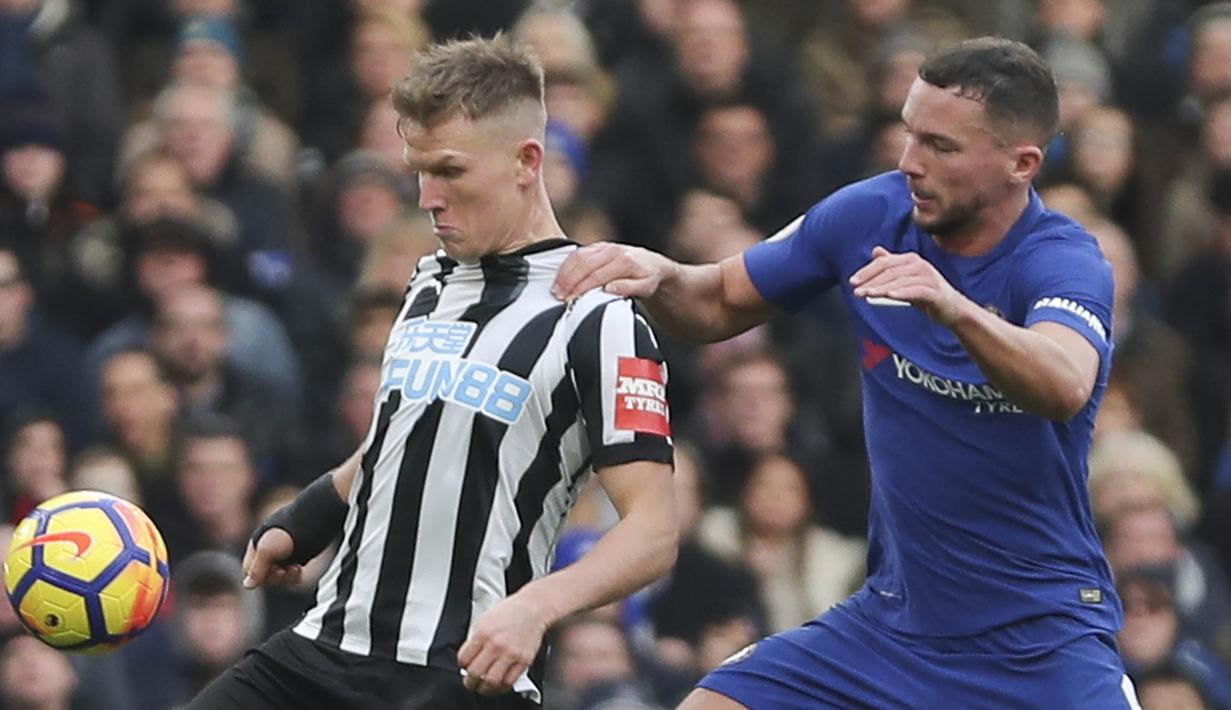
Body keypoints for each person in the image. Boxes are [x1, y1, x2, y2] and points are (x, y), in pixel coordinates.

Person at [555, 37, 1139, 708]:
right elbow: (716, 300)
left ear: (1021, 163)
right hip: (890, 631)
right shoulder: (869, 215)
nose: (910, 161)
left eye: (941, 147)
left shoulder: (1062, 259)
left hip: (1040, 642)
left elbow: (1065, 383)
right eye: (909, 133)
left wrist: (953, 309)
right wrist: (660, 275)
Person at [186, 36, 678, 710]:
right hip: (324, 651)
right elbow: (407, 434)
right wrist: (310, 514)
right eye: (418, 170)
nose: (427, 197)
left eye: (449, 170)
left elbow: (654, 533)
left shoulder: (600, 320)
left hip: (461, 676)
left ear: (526, 161)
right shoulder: (427, 283)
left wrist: (537, 608)